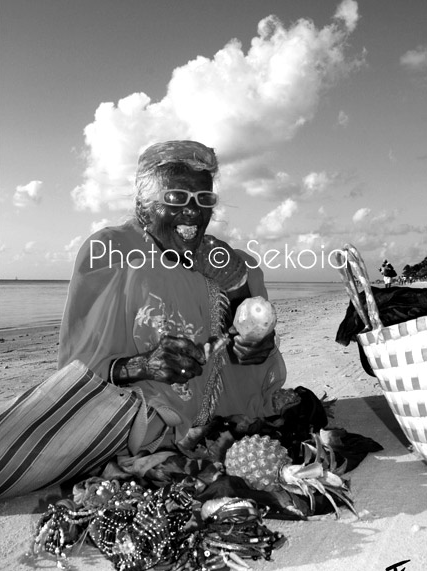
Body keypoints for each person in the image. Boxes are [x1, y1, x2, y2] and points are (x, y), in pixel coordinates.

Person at [58, 140, 287, 456]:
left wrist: (249, 320)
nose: (193, 211)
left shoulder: (227, 260)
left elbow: (257, 346)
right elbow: (75, 372)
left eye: (203, 198)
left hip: (231, 430)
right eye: (176, 197)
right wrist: (142, 366)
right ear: (143, 206)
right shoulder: (108, 251)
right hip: (146, 424)